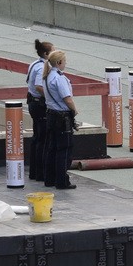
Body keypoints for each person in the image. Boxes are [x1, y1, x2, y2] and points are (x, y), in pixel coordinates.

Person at [41, 49, 78, 190]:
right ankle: (62, 181)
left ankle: (49, 178)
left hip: (51, 115)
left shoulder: (47, 76)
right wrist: (74, 110)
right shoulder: (59, 78)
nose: (66, 64)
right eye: (65, 61)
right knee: (64, 149)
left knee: (52, 148)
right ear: (59, 62)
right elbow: (67, 99)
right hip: (62, 118)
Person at [26, 38, 54, 181]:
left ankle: (34, 172)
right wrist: (50, 97)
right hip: (39, 104)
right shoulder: (41, 67)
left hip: (32, 102)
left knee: (37, 138)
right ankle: (40, 172)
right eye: (52, 52)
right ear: (45, 53)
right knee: (42, 139)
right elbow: (38, 85)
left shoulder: (33, 64)